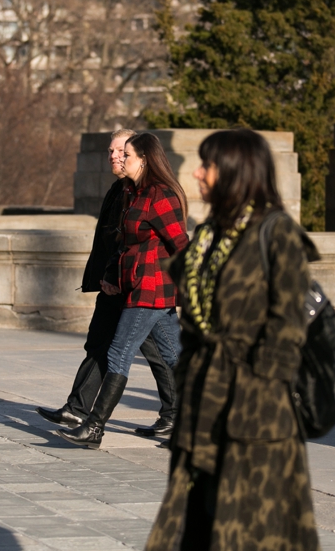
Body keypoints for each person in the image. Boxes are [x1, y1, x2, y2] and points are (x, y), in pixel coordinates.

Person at [145, 129, 319, 551]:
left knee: (252, 532)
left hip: (253, 416)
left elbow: (288, 329)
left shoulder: (276, 233)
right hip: (202, 408)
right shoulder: (207, 236)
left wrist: (251, 394)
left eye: (208, 165)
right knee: (195, 527)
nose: (199, 174)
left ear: (237, 172)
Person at [36, 130, 177, 436]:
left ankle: (93, 426)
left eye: (125, 153)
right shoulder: (128, 192)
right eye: (115, 152)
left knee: (122, 352)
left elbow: (180, 243)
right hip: (130, 282)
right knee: (170, 354)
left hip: (149, 287)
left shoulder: (159, 194)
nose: (118, 157)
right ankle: (186, 418)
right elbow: (120, 241)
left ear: (143, 158)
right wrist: (110, 273)